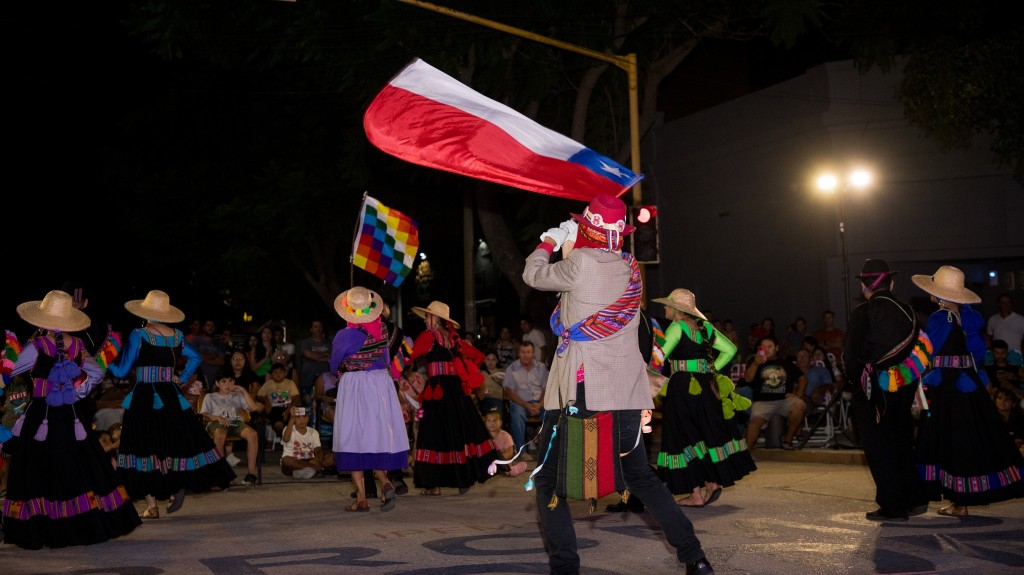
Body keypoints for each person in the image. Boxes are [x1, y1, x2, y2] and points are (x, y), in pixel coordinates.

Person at [522, 193, 714, 575]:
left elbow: (533, 274)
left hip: (580, 391)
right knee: (640, 477)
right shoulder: (630, 267)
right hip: (625, 392)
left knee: (547, 481)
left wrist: (550, 240)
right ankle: (694, 556)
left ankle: (564, 567)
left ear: (586, 229)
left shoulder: (578, 262)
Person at [3, 290, 141, 549]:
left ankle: (42, 528)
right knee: (76, 466)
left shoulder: (36, 346)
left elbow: (12, 371)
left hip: (41, 416)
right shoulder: (77, 345)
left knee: (38, 470)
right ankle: (84, 524)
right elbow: (97, 374)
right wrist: (77, 391)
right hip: (72, 415)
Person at [108, 290, 236, 518]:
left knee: (144, 446)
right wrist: (182, 378)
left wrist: (106, 357)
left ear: (145, 312)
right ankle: (173, 488)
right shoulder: (177, 336)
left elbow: (121, 370)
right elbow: (196, 358)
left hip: (146, 395)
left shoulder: (139, 334)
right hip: (170, 394)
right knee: (172, 444)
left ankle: (152, 504)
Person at [912, 266, 1024, 517]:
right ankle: (959, 503)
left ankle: (957, 503)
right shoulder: (967, 319)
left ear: (941, 294)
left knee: (946, 441)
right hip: (967, 386)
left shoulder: (940, 318)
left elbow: (927, 352)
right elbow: (975, 355)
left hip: (946, 389)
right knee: (966, 441)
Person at [842, 258, 931, 521]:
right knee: (902, 440)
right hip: (903, 385)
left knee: (878, 446)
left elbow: (851, 356)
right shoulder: (907, 311)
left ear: (864, 287)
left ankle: (892, 505)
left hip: (872, 389)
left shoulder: (862, 313)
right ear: (891, 283)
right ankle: (915, 498)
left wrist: (856, 382)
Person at [653, 288, 756, 508]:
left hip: (682, 387)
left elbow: (658, 357)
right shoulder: (706, 327)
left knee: (684, 437)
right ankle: (712, 482)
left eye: (667, 305)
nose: (664, 308)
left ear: (676, 308)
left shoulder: (676, 328)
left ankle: (696, 494)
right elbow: (729, 350)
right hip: (706, 386)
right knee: (705, 434)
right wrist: (708, 370)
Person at [330, 287, 409, 512]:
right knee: (376, 436)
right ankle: (385, 483)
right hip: (379, 384)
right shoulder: (382, 331)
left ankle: (362, 498)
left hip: (354, 385)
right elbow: (386, 358)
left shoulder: (344, 335)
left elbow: (334, 364)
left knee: (353, 436)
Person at [408, 300, 497, 497]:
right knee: (458, 433)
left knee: (433, 434)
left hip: (437, 389)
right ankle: (462, 479)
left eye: (427, 317)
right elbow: (479, 356)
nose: (425, 321)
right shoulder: (455, 339)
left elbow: (410, 357)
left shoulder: (428, 336)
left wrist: (394, 362)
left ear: (435, 319)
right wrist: (461, 369)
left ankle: (433, 484)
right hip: (455, 391)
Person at [742, 335, 807, 451]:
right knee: (754, 422)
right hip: (763, 401)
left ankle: (788, 439)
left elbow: (803, 379)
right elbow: (747, 379)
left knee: (799, 405)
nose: (766, 349)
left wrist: (798, 394)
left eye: (769, 347)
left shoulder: (786, 363)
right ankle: (746, 455)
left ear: (776, 348)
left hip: (784, 400)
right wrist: (756, 364)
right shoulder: (755, 362)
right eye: (763, 347)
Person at [200, 370, 263, 482]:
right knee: (220, 435)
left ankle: (251, 474)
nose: (227, 384)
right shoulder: (210, 397)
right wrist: (217, 418)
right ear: (217, 383)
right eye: (223, 381)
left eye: (230, 381)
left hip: (235, 422)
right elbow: (203, 415)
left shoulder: (237, 395)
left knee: (253, 434)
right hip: (217, 422)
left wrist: (243, 391)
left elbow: (254, 408)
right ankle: (221, 473)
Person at [502, 341, 548, 452]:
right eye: (523, 352)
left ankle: (547, 450)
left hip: (539, 402)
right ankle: (521, 451)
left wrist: (539, 404)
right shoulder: (512, 369)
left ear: (533, 354)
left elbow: (546, 389)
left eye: (528, 352)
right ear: (519, 353)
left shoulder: (541, 368)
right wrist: (526, 405)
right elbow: (510, 392)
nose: (525, 355)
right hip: (520, 403)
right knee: (517, 414)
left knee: (551, 413)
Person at [281, 406, 334, 479]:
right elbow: (286, 439)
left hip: (310, 460)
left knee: (333, 457)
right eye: (298, 417)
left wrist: (317, 459)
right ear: (294, 419)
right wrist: (292, 418)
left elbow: (318, 449)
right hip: (294, 462)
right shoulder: (288, 429)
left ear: (308, 419)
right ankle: (319, 469)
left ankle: (305, 471)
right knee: (286, 460)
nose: (301, 420)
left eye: (304, 417)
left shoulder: (313, 432)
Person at [257, 363, 301, 439]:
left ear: (284, 373)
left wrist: (288, 411)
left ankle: (289, 440)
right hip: (274, 409)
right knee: (278, 426)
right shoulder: (268, 384)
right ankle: (286, 439)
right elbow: (258, 396)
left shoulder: (290, 383)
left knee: (299, 421)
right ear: (271, 374)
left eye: (280, 372)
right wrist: (266, 401)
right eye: (275, 372)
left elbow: (296, 398)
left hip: (289, 407)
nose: (278, 374)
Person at [483, 408, 527, 477]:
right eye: (489, 421)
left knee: (506, 463)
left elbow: (510, 452)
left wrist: (498, 459)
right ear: (485, 423)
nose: (492, 423)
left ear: (500, 422)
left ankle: (510, 471)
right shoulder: (483, 436)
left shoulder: (506, 436)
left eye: (495, 421)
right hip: (488, 459)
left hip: (501, 459)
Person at [297, 319, 331, 404]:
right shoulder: (305, 342)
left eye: (320, 327)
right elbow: (309, 355)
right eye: (315, 327)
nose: (318, 329)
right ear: (311, 329)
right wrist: (324, 354)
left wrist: (315, 357)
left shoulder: (329, 343)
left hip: (326, 381)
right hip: (308, 380)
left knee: (325, 407)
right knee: (308, 406)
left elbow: (331, 357)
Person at [987, 293, 1024, 365]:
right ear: (998, 304)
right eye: (1003, 303)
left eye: (1008, 302)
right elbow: (989, 338)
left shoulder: (1021, 320)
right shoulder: (993, 319)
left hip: (1016, 356)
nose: (1006, 305)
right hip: (997, 356)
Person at [993, 387, 1024, 457]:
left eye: (1007, 399)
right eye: (999, 398)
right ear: (995, 401)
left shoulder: (1019, 420)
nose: (1002, 401)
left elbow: (1019, 440)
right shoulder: (990, 419)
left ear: (1014, 404)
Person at [477, 351, 506, 415]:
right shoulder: (480, 373)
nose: (490, 362)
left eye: (493, 359)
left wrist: (500, 382)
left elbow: (509, 387)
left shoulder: (502, 372)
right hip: (486, 399)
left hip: (500, 399)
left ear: (497, 361)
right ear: (484, 360)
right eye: (488, 359)